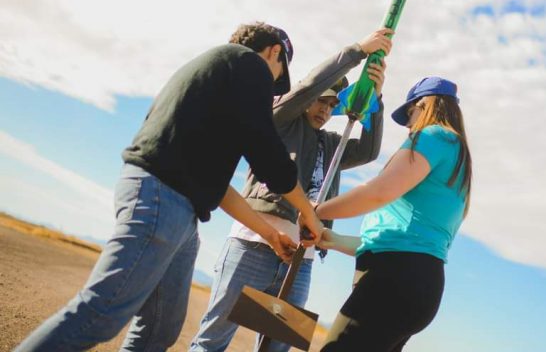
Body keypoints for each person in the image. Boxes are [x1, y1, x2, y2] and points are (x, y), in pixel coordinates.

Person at [16, 22, 324, 352]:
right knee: (102, 312)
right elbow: (267, 154)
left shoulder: (213, 82)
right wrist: (307, 211)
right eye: (277, 76)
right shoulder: (248, 63)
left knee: (160, 328)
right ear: (274, 51)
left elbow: (218, 188)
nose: (272, 88)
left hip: (178, 207)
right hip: (163, 196)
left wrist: (268, 233)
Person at [190, 28, 392, 352]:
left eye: (332, 105)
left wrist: (376, 101)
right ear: (307, 99)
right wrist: (356, 52)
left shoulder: (332, 145)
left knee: (277, 348)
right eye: (321, 100)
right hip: (252, 245)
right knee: (213, 340)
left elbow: (368, 150)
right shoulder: (280, 119)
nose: (325, 110)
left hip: (302, 260)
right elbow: (308, 86)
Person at [314, 76, 472, 352]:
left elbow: (377, 192)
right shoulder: (458, 162)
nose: (409, 126)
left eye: (410, 115)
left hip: (392, 281)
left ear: (424, 105)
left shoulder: (434, 136)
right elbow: (398, 242)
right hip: (419, 284)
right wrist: (332, 238)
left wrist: (316, 211)